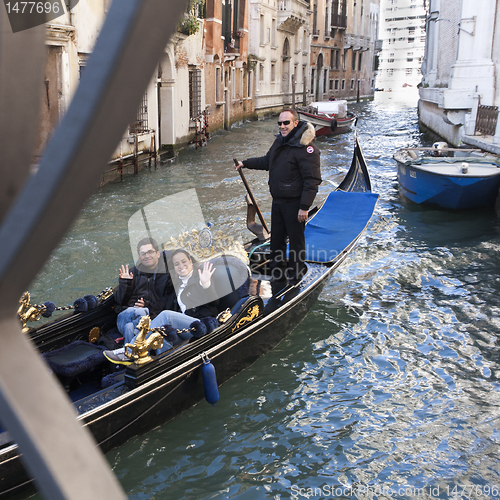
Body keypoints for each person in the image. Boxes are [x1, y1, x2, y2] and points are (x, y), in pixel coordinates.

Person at [235, 107, 321, 284]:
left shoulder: (306, 149)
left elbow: (312, 180)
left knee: (296, 242)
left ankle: (296, 278)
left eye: (286, 123)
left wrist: (304, 207)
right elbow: (267, 161)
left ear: (295, 123)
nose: (282, 126)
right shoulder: (279, 143)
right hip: (278, 202)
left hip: (295, 204)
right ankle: (278, 276)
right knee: (276, 241)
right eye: (280, 123)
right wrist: (245, 163)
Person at [104, 249, 219, 365]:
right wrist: (146, 305)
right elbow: (162, 304)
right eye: (176, 264)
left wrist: (206, 284)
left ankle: (129, 351)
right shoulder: (175, 284)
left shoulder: (202, 278)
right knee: (161, 336)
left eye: (184, 262)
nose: (181, 266)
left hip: (202, 326)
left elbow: (213, 303)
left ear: (190, 261)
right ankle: (159, 367)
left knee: (166, 315)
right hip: (182, 330)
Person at [104, 237, 175, 365]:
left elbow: (168, 302)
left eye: (150, 252)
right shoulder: (132, 273)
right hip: (126, 316)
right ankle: (134, 354)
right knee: (139, 313)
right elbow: (120, 301)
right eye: (143, 253)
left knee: (130, 327)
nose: (147, 256)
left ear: (158, 254)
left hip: (150, 321)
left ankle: (131, 359)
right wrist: (125, 283)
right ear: (139, 256)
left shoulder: (167, 275)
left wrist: (148, 306)